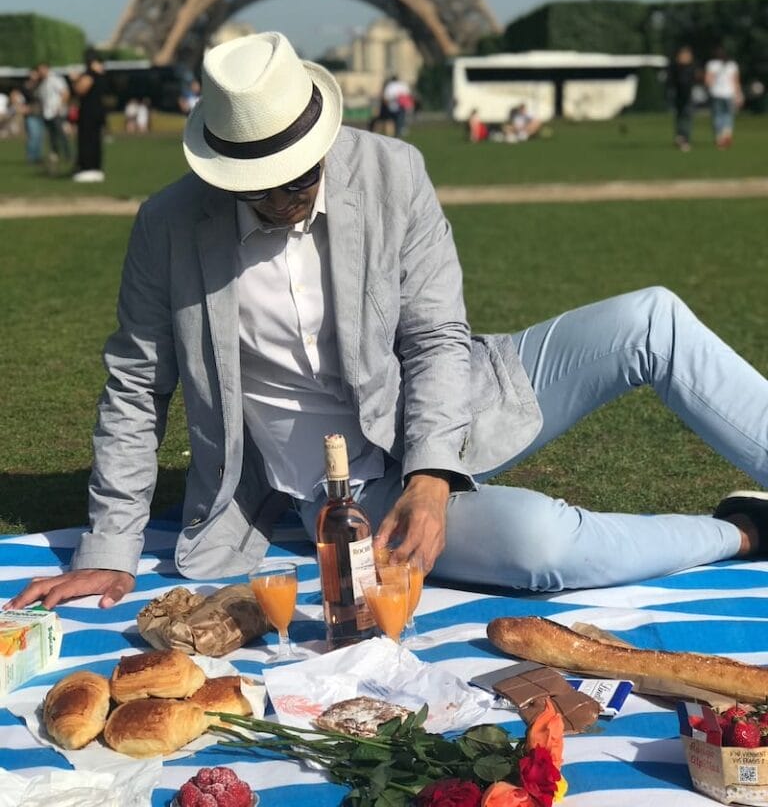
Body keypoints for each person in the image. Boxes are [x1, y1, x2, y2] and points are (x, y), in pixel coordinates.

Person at [7, 31, 768, 613]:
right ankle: (744, 531)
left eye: (305, 170)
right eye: (264, 187)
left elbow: (435, 336)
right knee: (540, 545)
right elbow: (137, 387)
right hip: (346, 486)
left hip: (459, 396)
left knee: (653, 319)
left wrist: (433, 478)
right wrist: (109, 545)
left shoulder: (391, 170)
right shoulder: (169, 226)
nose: (291, 196)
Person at [70, 50, 108, 182]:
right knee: (95, 141)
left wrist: (74, 81)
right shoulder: (101, 75)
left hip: (89, 113)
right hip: (97, 112)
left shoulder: (89, 75)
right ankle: (95, 168)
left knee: (86, 140)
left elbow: (80, 90)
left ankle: (88, 168)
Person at [705, 45, 742, 149]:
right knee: (728, 115)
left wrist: (709, 89)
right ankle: (727, 133)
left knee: (717, 115)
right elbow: (736, 81)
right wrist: (739, 94)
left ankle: (719, 136)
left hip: (716, 93)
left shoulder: (712, 64)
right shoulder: (732, 65)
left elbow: (708, 80)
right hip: (729, 93)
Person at [36, 63, 71, 165]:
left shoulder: (55, 80)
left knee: (61, 135)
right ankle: (55, 154)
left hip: (56, 112)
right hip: (47, 113)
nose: (40, 72)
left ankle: (67, 155)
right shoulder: (43, 83)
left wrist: (59, 107)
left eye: (41, 69)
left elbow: (65, 93)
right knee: (52, 136)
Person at [668, 46, 697, 152]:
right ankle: (680, 137)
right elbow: (671, 82)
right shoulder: (675, 67)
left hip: (688, 96)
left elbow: (693, 81)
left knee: (687, 117)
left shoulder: (691, 67)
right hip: (678, 96)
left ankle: (684, 138)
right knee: (680, 117)